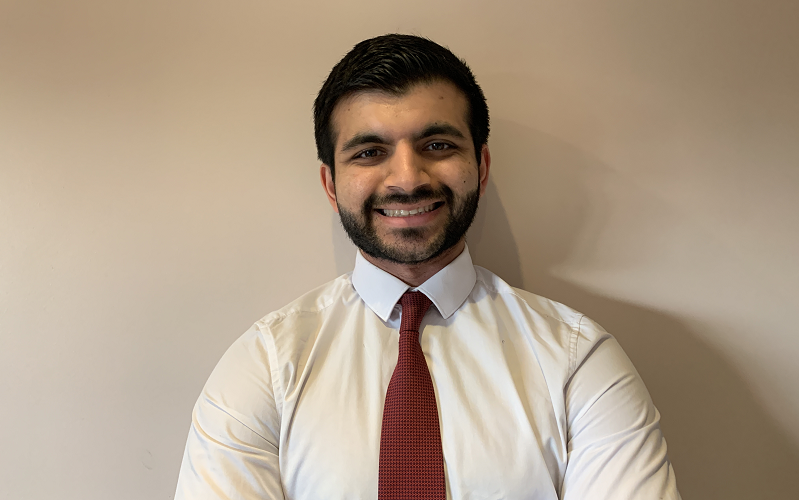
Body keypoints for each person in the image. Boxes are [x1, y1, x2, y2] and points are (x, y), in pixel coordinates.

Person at [174, 34, 681, 500]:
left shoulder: (578, 363)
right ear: (331, 185)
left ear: (480, 168)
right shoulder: (263, 366)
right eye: (370, 152)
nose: (407, 178)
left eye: (437, 145)